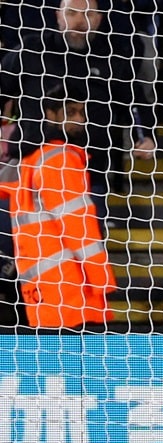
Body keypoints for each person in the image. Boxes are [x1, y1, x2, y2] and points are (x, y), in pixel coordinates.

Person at [0, 0, 157, 220]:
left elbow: (135, 105)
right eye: (72, 13)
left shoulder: (113, 59)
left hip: (89, 174)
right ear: (58, 16)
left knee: (86, 246)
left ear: (99, 19)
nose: (79, 21)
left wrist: (145, 136)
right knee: (22, 245)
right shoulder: (31, 51)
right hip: (30, 172)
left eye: (88, 14)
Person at [0, 82, 116, 328]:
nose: (79, 119)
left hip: (39, 289)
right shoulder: (61, 158)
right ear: (51, 114)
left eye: (82, 112)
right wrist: (102, 279)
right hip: (70, 288)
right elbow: (78, 225)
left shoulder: (31, 158)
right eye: (71, 112)